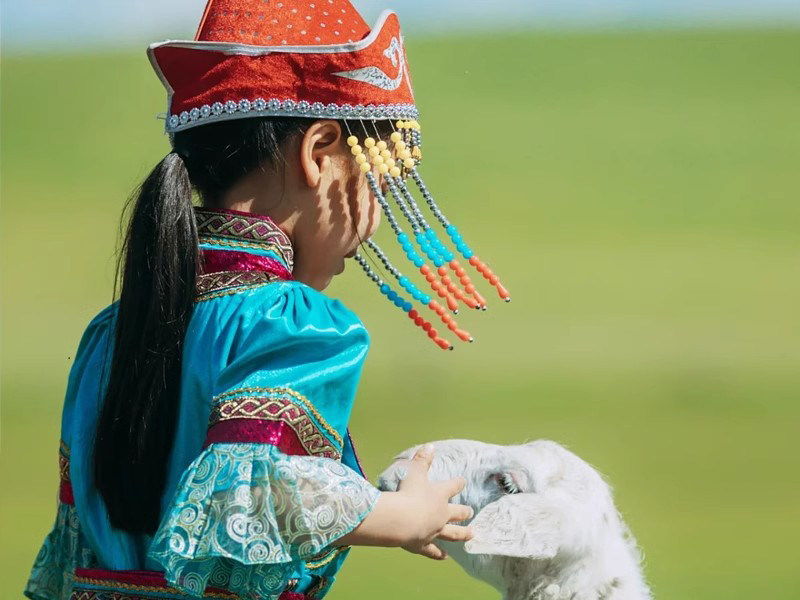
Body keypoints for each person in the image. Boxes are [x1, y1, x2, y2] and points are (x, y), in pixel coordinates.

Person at [24, 1, 509, 599]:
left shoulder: (113, 329)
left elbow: (78, 525)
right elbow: (253, 488)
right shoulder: (290, 324)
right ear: (320, 151)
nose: (375, 220)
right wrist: (402, 517)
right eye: (380, 179)